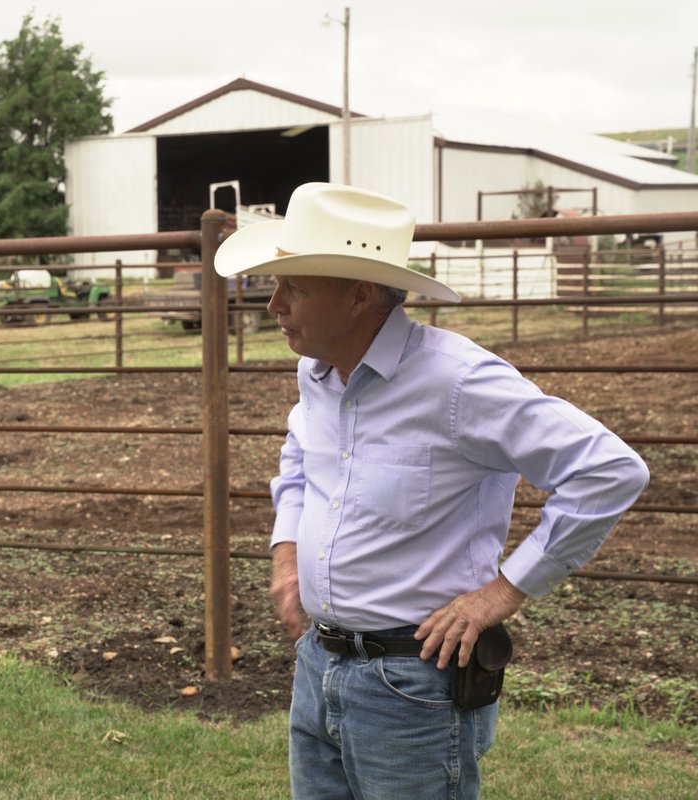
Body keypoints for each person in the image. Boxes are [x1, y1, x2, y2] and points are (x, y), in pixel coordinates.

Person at [214, 183, 649, 800]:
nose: (273, 304)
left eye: (295, 287)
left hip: (414, 681)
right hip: (319, 661)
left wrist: (501, 594)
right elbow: (300, 452)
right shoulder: (318, 372)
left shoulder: (458, 382)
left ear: (359, 295)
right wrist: (288, 555)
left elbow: (609, 469)